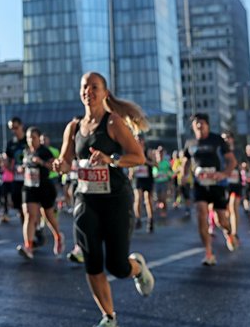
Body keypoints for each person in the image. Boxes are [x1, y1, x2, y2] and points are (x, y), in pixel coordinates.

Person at [53, 72, 154, 327]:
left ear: (105, 93)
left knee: (118, 266)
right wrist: (60, 165)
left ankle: (138, 268)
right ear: (80, 92)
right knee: (92, 261)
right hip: (86, 199)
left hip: (115, 199)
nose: (89, 91)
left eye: (94, 87)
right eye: (85, 86)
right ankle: (109, 316)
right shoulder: (73, 127)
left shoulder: (113, 123)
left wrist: (111, 160)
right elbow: (66, 162)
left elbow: (138, 157)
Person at [182, 114, 238, 266]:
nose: (199, 126)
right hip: (199, 184)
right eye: (196, 124)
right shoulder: (190, 142)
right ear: (193, 127)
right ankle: (208, 252)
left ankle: (229, 233)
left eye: (201, 123)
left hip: (217, 184)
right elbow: (186, 161)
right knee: (201, 214)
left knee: (221, 220)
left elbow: (232, 161)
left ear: (207, 125)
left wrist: (224, 174)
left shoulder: (217, 140)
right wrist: (183, 175)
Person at [17, 126, 62, 259]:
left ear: (39, 138)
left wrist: (41, 162)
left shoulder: (45, 151)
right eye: (28, 138)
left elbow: (52, 166)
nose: (31, 140)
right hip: (29, 186)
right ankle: (28, 246)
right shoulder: (26, 151)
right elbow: (26, 166)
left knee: (48, 215)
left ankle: (58, 236)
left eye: (33, 137)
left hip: (44, 186)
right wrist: (22, 168)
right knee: (29, 215)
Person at [131, 134, 156, 233]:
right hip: (138, 178)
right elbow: (131, 164)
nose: (137, 142)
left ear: (143, 141)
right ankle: (138, 219)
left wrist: (146, 161)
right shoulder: (133, 151)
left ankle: (150, 220)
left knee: (148, 199)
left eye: (139, 140)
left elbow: (155, 164)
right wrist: (131, 172)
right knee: (138, 198)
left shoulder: (148, 151)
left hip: (147, 178)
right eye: (136, 140)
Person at [220, 132, 242, 240]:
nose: (226, 140)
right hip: (223, 184)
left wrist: (244, 166)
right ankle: (228, 229)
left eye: (228, 138)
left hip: (235, 183)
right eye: (223, 138)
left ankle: (234, 232)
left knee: (233, 207)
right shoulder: (219, 151)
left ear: (232, 139)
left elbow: (244, 163)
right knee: (226, 211)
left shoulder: (237, 151)